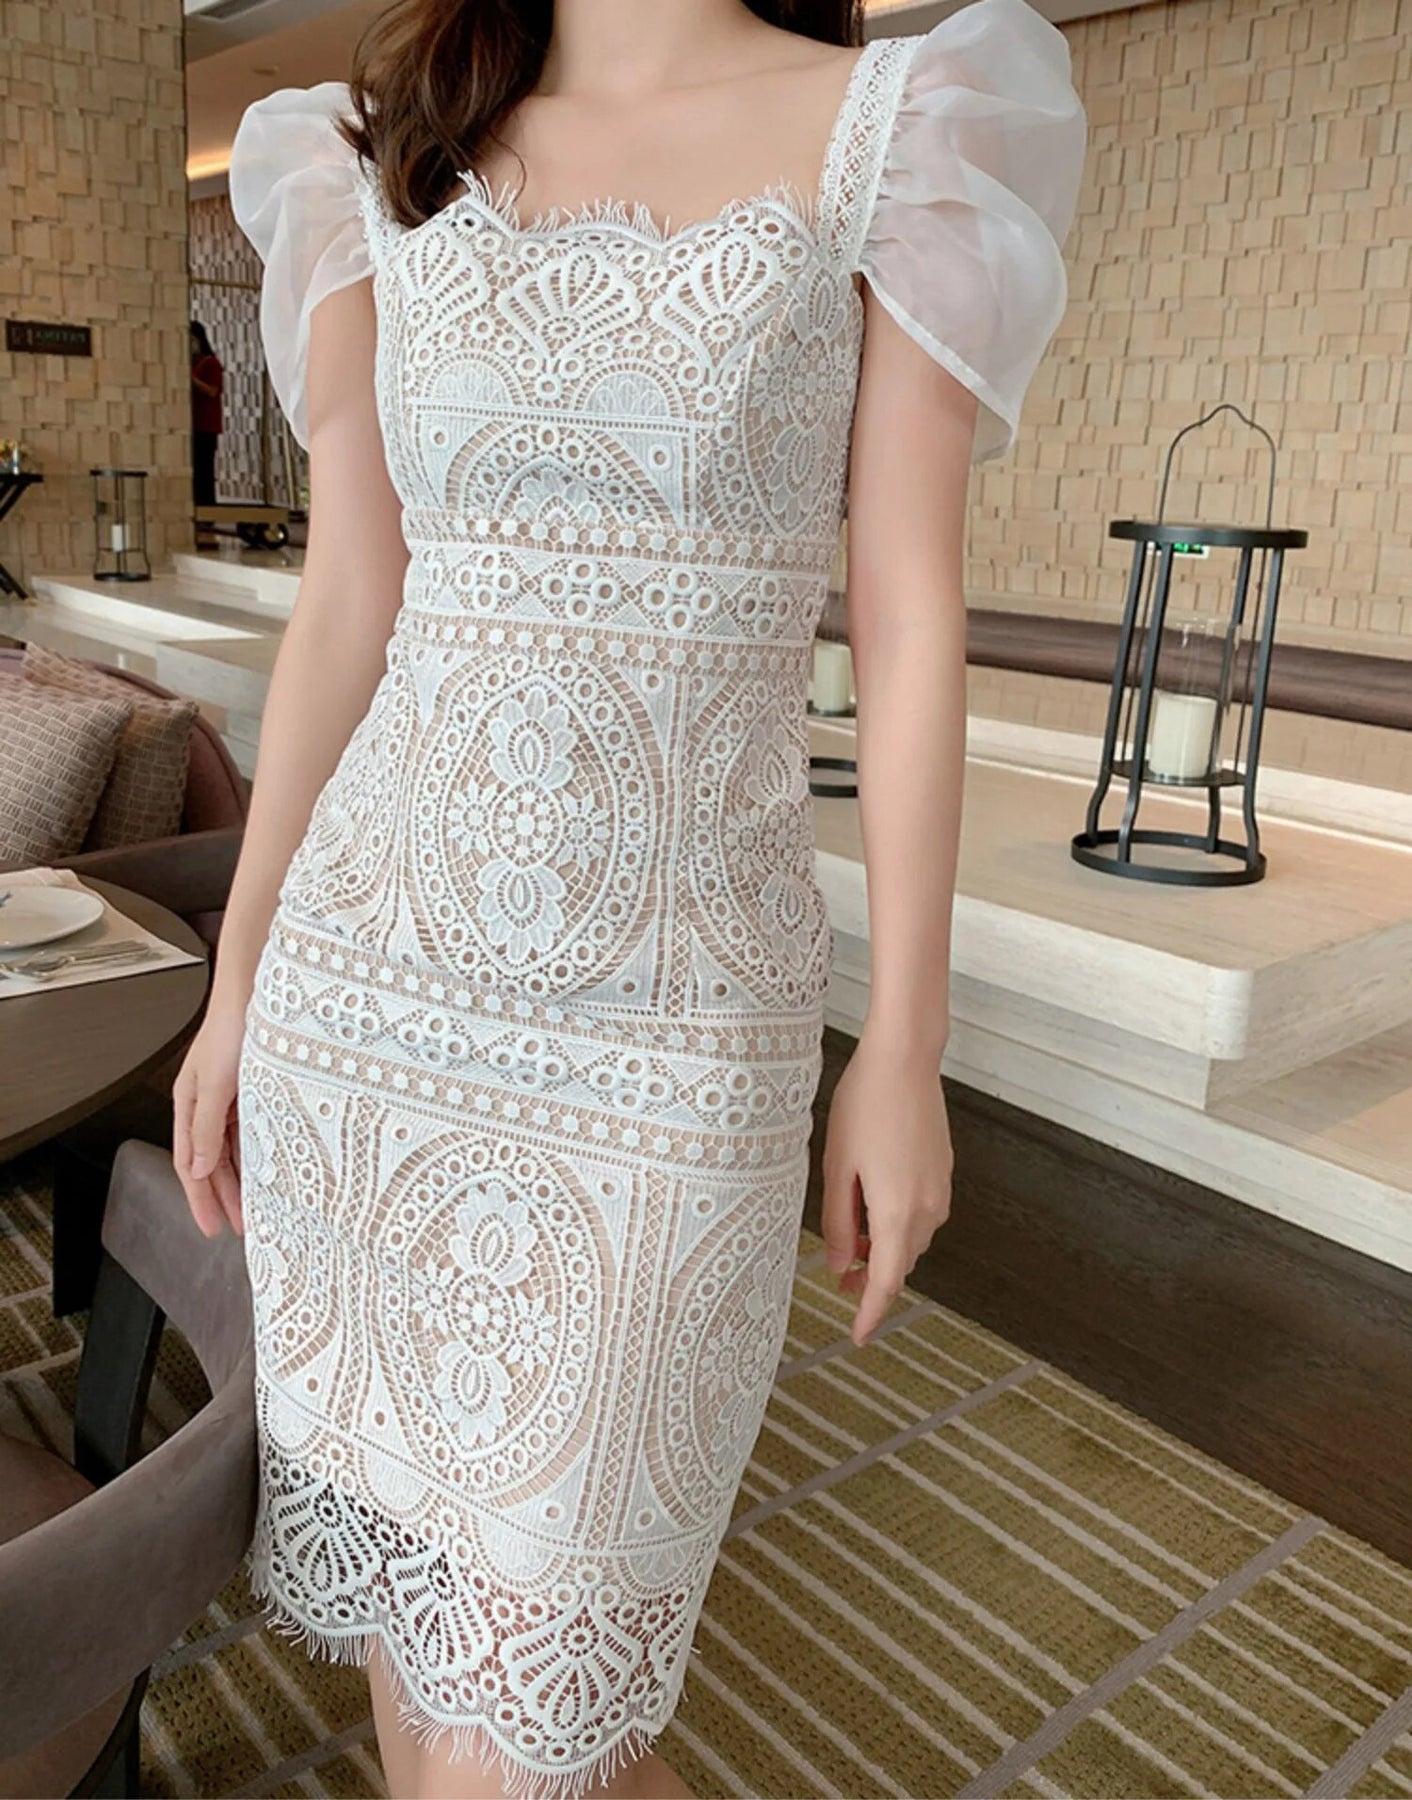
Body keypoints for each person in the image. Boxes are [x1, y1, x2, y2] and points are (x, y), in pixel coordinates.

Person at [173, 0, 1085, 1795]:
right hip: (366, 1013)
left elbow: (908, 614)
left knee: (531, 1730)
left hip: (673, 1037)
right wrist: (239, 984)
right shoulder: (375, 156)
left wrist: (907, 1042)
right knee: (431, 1676)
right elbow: (349, 598)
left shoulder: (897, 128)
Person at [190, 320, 224, 540]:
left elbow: (212, 391)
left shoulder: (210, 364)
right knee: (195, 470)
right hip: (192, 426)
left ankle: (208, 511)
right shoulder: (192, 363)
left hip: (206, 425)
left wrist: (193, 380)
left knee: (204, 470)